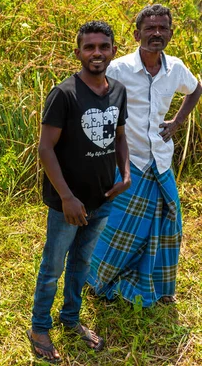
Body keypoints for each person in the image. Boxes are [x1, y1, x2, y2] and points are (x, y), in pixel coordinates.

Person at [27, 21, 131, 363]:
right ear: (79, 53)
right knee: (53, 266)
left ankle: (70, 319)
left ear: (114, 50)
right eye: (89, 47)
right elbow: (45, 149)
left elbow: (118, 136)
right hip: (67, 203)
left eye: (103, 46)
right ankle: (39, 325)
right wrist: (67, 198)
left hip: (102, 197)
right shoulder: (65, 93)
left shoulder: (117, 90)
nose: (97, 53)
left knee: (82, 263)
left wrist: (125, 173)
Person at [87, 4, 202, 307]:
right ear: (137, 34)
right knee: (118, 228)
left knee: (168, 225)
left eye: (163, 28)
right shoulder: (119, 69)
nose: (156, 33)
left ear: (171, 33)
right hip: (129, 162)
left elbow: (195, 88)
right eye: (150, 28)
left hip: (160, 161)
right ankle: (99, 283)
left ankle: (159, 286)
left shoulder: (175, 68)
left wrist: (177, 122)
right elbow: (94, 98)